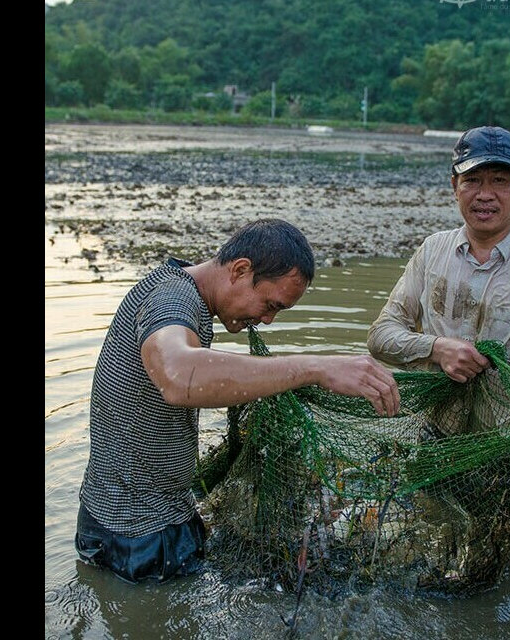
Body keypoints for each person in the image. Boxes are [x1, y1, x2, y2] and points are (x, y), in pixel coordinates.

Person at [76, 218, 401, 584]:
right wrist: (317, 367)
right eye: (269, 304)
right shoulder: (171, 297)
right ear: (240, 270)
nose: (268, 320)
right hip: (135, 532)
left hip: (146, 515)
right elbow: (178, 376)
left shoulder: (183, 294)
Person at [366, 126, 510, 569]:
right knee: (428, 556)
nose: (485, 195)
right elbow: (381, 334)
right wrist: (436, 348)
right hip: (439, 442)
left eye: (499, 180)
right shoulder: (433, 252)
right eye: (472, 180)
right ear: (454, 186)